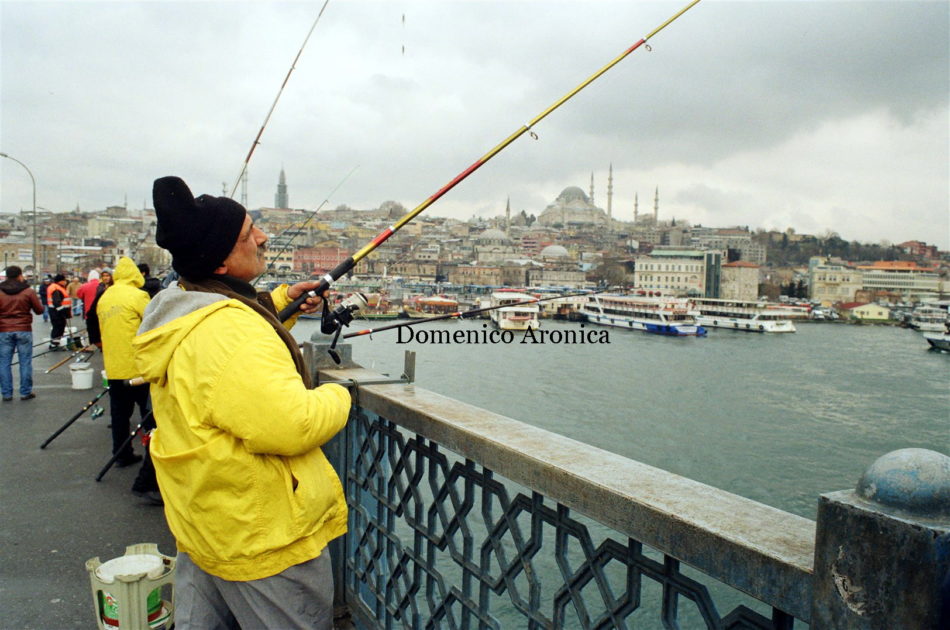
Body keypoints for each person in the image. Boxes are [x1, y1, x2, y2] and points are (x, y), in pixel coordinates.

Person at [133, 176, 350, 629]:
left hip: (206, 517)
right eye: (249, 233)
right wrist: (339, 394)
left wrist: (282, 299)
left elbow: (221, 335)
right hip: (258, 535)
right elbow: (291, 425)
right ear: (222, 259)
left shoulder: (179, 303)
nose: (263, 238)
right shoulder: (230, 333)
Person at [97, 256, 153, 475]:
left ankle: (121, 454)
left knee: (119, 416)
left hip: (113, 366)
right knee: (149, 415)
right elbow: (152, 324)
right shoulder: (138, 296)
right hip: (138, 368)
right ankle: (151, 461)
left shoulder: (105, 297)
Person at [0, 266, 44, 401]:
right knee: (25, 361)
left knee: (4, 362)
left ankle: (7, 394)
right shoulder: (28, 291)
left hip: (4, 330)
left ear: (6, 276)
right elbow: (39, 310)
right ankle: (25, 392)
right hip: (24, 329)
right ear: (20, 276)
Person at [85, 268, 113, 347]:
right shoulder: (100, 287)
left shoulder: (114, 287)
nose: (105, 278)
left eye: (107, 275)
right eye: (103, 276)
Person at [46, 274, 72, 350]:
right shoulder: (56, 289)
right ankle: (54, 345)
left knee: (58, 327)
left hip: (55, 312)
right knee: (58, 328)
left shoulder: (56, 287)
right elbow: (57, 302)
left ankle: (55, 343)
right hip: (57, 312)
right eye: (64, 280)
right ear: (60, 281)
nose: (65, 282)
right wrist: (63, 312)